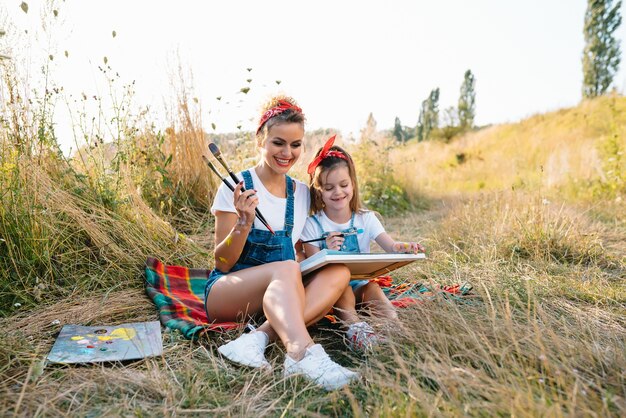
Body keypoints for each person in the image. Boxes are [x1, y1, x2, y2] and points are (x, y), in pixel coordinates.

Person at [205, 97, 358, 391]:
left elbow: (332, 211)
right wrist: (243, 223)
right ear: (260, 140)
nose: (287, 153)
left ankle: (257, 338)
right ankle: (302, 353)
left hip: (278, 297)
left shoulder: (301, 193)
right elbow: (221, 263)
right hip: (229, 292)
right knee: (287, 268)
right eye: (278, 143)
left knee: (339, 272)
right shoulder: (234, 186)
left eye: (296, 144)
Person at [301, 135, 425, 351]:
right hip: (330, 291)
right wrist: (326, 252)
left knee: (374, 289)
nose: (338, 192)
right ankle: (356, 330)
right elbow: (311, 269)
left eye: (343, 185)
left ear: (353, 184)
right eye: (329, 188)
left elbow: (390, 246)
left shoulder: (365, 219)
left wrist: (404, 248)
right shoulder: (312, 224)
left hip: (360, 285)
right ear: (318, 190)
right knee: (344, 292)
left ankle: (395, 328)